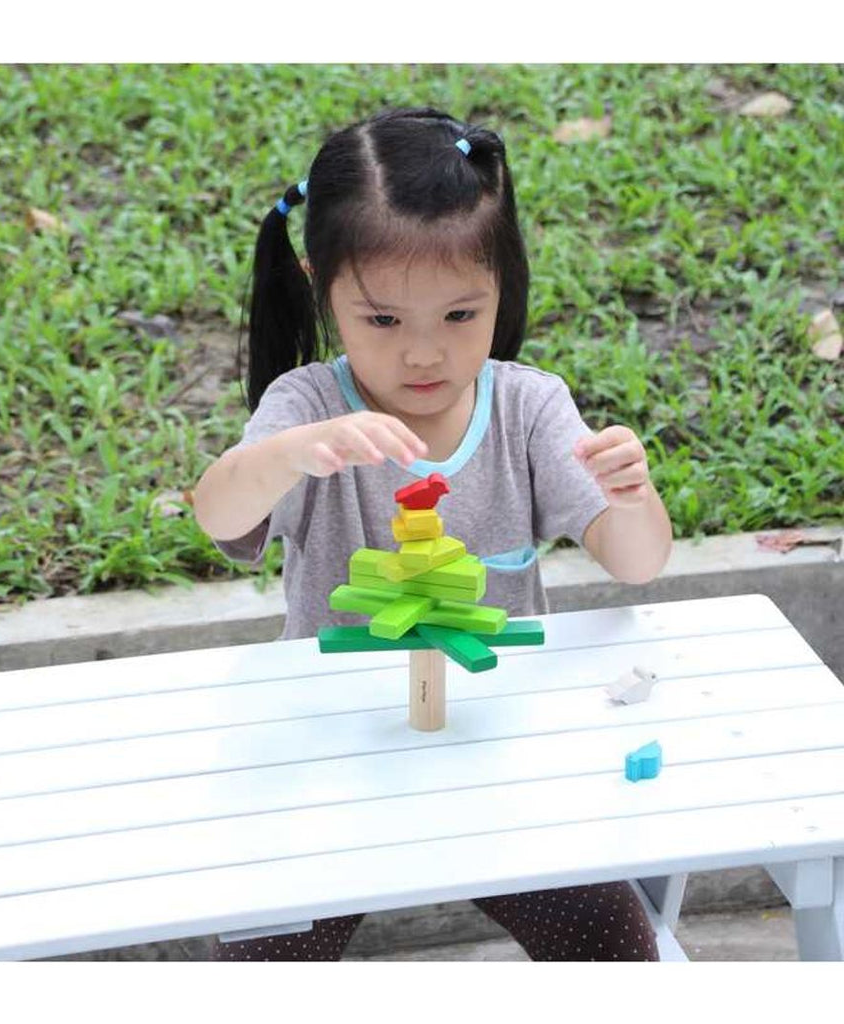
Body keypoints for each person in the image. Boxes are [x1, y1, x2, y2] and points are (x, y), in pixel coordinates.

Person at [193, 107, 673, 961]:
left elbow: (636, 565)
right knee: (266, 959)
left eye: (460, 316)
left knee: (611, 942)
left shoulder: (527, 407)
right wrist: (293, 454)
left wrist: (631, 493)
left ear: (503, 285)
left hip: (497, 751)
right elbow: (218, 513)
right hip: (334, 752)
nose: (424, 356)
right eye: (382, 321)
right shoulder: (307, 409)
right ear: (320, 287)